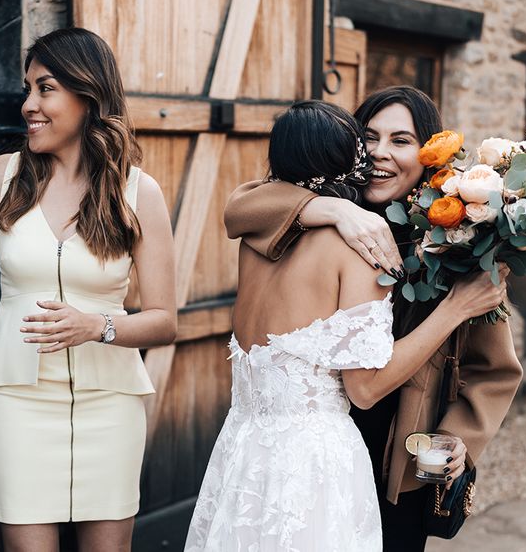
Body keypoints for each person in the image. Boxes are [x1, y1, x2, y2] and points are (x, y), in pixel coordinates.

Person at [0, 27, 176, 552]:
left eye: (45, 89)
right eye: (28, 89)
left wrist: (98, 325)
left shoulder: (138, 191)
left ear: (87, 95)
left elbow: (164, 319)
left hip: (109, 405)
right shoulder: (1, 177)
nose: (29, 106)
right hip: (16, 404)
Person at [184, 101, 509, 551]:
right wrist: (332, 210)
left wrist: (458, 436)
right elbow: (244, 204)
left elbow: (492, 369)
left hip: (400, 450)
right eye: (369, 138)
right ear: (349, 151)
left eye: (401, 141)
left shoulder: (467, 237)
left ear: (431, 155)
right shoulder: (311, 228)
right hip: (325, 451)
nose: (378, 153)